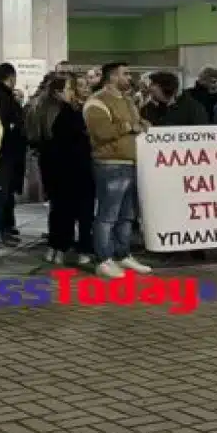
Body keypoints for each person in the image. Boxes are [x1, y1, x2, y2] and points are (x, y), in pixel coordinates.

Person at [83, 62, 153, 279]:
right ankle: (103, 259)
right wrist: (129, 127)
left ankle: (123, 254)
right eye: (126, 74)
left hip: (132, 163)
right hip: (110, 164)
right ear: (112, 77)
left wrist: (143, 124)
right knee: (107, 215)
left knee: (127, 215)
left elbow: (140, 123)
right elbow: (102, 132)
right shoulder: (96, 102)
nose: (130, 77)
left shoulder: (128, 101)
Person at [28, 73, 96, 266]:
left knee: (58, 209)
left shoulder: (38, 109)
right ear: (59, 92)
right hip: (73, 168)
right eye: (68, 89)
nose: (71, 93)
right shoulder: (67, 113)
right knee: (78, 210)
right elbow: (80, 142)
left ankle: (54, 247)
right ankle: (69, 249)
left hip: (50, 166)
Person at [0, 63, 27, 245]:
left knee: (5, 194)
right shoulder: (2, 97)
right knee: (1, 195)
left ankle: (4, 229)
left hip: (2, 152)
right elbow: (7, 123)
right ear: (11, 78)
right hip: (4, 154)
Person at [143, 71, 210, 127]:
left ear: (166, 89)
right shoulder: (148, 109)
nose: (150, 93)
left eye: (154, 92)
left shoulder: (194, 109)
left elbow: (201, 134)